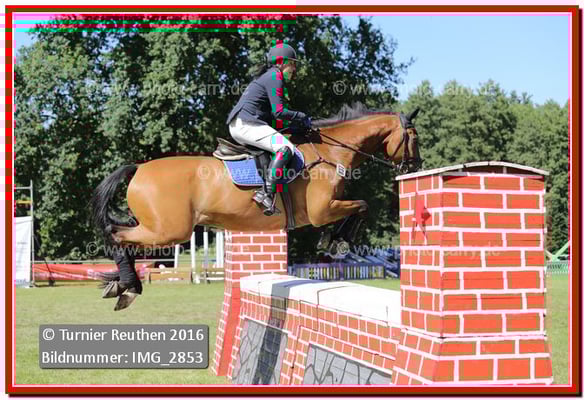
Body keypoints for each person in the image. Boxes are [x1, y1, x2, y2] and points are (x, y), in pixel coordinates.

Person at [226, 43, 312, 216]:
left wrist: (294, 126)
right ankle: (266, 192)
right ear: (282, 62)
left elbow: (274, 117)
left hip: (244, 124)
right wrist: (301, 116)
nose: (294, 69)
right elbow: (279, 112)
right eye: (292, 64)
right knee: (285, 148)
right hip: (246, 125)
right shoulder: (275, 76)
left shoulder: (269, 76)